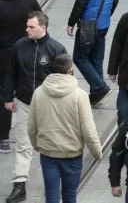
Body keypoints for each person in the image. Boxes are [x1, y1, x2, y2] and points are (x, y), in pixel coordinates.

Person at [3, 10, 66, 203]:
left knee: (52, 144)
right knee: (23, 144)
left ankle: (55, 184)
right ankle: (19, 184)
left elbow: (65, 80)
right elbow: (11, 72)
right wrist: (8, 98)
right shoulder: (19, 46)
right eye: (27, 26)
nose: (27, 29)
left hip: (49, 106)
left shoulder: (57, 49)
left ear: (43, 27)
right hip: (24, 103)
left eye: (31, 27)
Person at [28, 53, 102, 203]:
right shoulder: (80, 95)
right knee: (69, 194)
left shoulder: (39, 92)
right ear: (70, 69)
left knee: (51, 194)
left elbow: (31, 126)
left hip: (48, 153)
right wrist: (97, 152)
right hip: (72, 154)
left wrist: (38, 146)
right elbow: (88, 128)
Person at [66, 0, 117, 105]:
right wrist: (105, 16)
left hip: (88, 24)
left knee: (79, 57)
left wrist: (71, 22)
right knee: (96, 58)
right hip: (103, 24)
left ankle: (100, 86)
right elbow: (115, 1)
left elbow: (80, 2)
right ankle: (96, 94)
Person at [0, 0, 40, 153]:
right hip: (27, 50)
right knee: (30, 90)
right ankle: (38, 131)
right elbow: (41, 18)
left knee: (4, 95)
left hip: (4, 55)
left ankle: (4, 139)